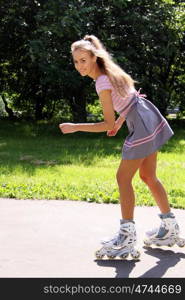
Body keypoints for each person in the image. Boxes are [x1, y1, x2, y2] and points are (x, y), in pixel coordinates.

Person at [59, 35, 185, 259]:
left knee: (123, 178)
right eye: (76, 61)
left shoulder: (102, 81)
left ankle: (126, 237)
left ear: (94, 58)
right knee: (148, 176)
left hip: (141, 121)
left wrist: (75, 127)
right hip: (145, 114)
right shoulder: (109, 72)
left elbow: (105, 122)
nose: (79, 65)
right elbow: (129, 98)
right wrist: (119, 123)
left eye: (83, 60)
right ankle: (170, 228)